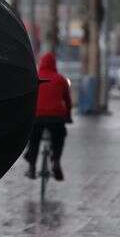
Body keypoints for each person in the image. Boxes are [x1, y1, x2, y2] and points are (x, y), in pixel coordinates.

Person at [24, 52, 72, 181]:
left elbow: (27, 99)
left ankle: (32, 167)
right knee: (59, 137)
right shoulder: (60, 79)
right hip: (56, 118)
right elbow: (67, 101)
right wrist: (68, 116)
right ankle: (55, 161)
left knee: (34, 141)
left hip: (37, 117)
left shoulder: (34, 77)